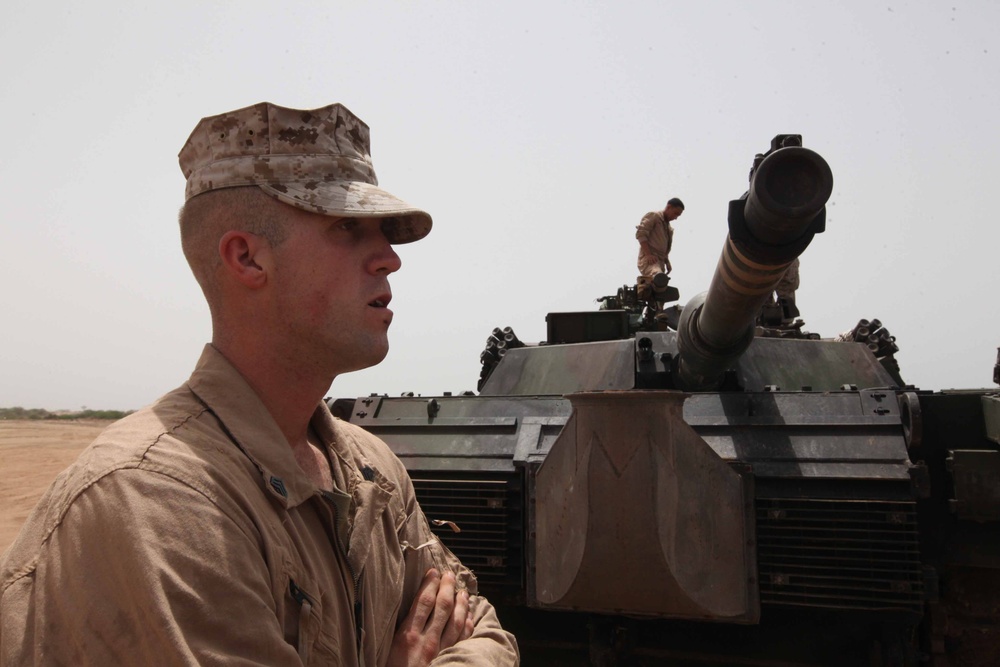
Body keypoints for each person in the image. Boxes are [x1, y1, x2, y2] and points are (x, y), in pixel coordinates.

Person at [0, 102, 519, 666]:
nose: (389, 260)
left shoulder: (372, 469)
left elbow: (486, 633)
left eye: (384, 234)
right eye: (347, 227)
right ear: (247, 258)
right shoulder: (158, 500)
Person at [635, 197, 685, 278]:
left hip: (660, 262)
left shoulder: (669, 229)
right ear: (669, 207)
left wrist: (667, 261)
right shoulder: (654, 216)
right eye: (675, 213)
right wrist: (648, 255)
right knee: (658, 276)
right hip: (650, 261)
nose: (676, 218)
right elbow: (641, 234)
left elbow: (664, 248)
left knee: (660, 281)